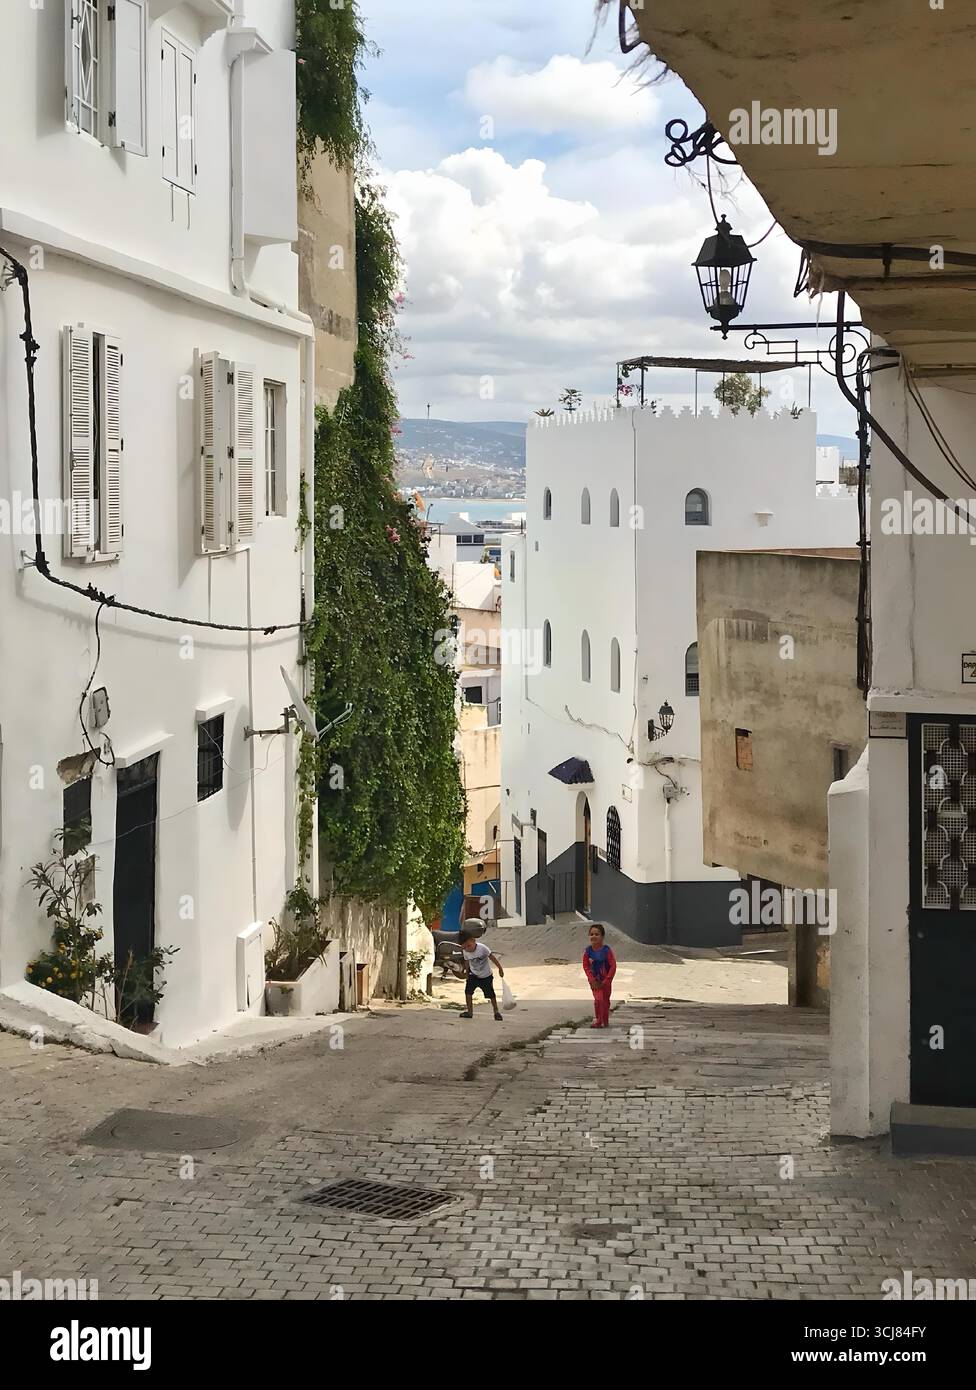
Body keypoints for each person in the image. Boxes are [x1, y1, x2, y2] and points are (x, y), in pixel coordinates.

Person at [459, 928, 505, 1021]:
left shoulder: (482, 948)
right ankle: (469, 1012)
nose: (467, 949)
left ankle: (496, 1012)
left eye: (468, 946)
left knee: (491, 994)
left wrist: (500, 968)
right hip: (473, 975)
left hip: (486, 976)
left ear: (473, 940)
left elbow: (492, 957)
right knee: (468, 992)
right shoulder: (465, 952)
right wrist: (467, 973)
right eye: (464, 947)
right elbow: (467, 962)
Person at [582, 924, 616, 1028]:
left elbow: (613, 965)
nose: (594, 936)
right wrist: (591, 979)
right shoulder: (588, 951)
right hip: (595, 982)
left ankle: (605, 1019)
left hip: (605, 981)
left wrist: (607, 980)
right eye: (591, 934)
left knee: (605, 1001)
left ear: (602, 936)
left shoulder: (606, 950)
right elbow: (585, 966)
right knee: (598, 1000)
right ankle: (598, 1020)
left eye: (597, 934)